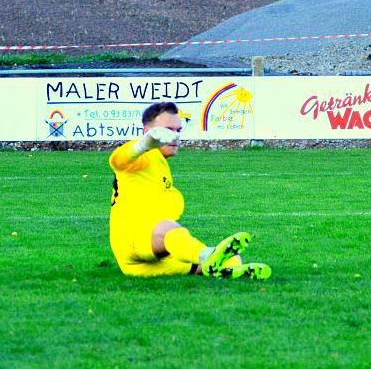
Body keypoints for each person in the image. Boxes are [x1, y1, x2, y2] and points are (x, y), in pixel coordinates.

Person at [109, 101, 271, 279]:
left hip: (144, 262)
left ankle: (220, 267)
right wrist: (144, 144)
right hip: (134, 242)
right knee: (168, 228)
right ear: (149, 132)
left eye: (178, 130)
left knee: (232, 259)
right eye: (168, 130)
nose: (176, 136)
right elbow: (118, 160)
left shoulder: (158, 161)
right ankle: (208, 255)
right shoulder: (143, 154)